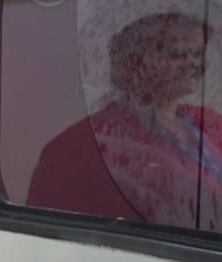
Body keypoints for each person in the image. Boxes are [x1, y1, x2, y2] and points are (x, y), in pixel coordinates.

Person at [27, 12, 222, 232]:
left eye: (197, 53)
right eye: (177, 54)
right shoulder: (85, 144)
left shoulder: (209, 122)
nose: (194, 64)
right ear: (138, 63)